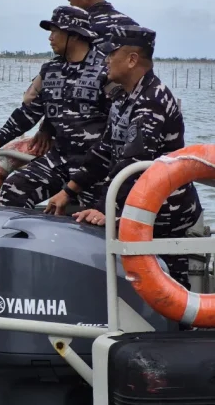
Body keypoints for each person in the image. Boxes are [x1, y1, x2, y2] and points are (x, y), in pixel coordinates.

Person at [44, 25, 202, 290]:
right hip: (138, 207)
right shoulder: (122, 97)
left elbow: (133, 163)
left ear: (131, 60)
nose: (105, 61)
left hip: (166, 216)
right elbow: (103, 152)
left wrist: (102, 207)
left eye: (111, 54)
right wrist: (68, 191)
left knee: (171, 293)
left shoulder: (152, 100)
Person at [0, 5, 111, 209]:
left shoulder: (106, 71)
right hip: (60, 159)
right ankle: (17, 239)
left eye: (55, 31)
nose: (50, 38)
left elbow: (119, 122)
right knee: (14, 189)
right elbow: (29, 113)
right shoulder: (51, 69)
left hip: (95, 164)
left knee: (87, 214)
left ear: (73, 35)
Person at [28, 0, 139, 152]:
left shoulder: (80, 27)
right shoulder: (131, 26)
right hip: (125, 115)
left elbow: (66, 85)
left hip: (89, 124)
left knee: (31, 96)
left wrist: (47, 126)